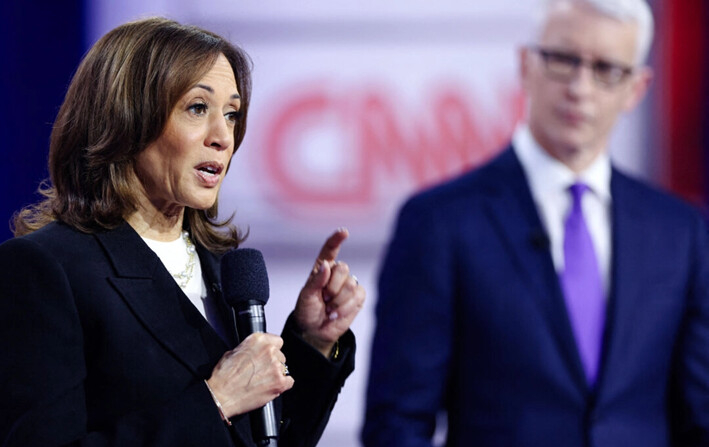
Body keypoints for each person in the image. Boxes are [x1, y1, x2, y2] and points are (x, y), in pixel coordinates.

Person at [0, 17, 365, 447]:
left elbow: (266, 439)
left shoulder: (223, 272)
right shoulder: (44, 269)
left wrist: (311, 341)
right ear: (126, 118)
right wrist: (214, 402)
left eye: (232, 114)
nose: (223, 137)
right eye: (197, 108)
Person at [363, 0, 709, 445]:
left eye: (606, 69)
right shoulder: (439, 223)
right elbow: (397, 424)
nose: (580, 88)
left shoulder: (681, 232)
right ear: (526, 63)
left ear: (636, 89)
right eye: (564, 59)